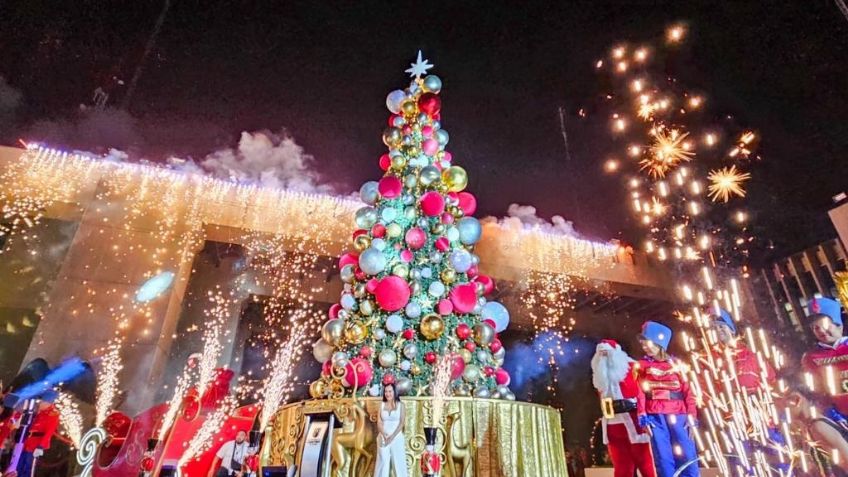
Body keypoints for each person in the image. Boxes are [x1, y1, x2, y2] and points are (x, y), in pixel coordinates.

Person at [636, 321, 700, 477]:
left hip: (679, 415)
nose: (644, 346)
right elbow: (639, 393)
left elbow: (689, 392)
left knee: (687, 455)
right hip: (655, 417)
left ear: (659, 343)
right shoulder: (642, 366)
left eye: (648, 342)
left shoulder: (678, 365)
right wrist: (642, 415)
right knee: (663, 459)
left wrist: (692, 416)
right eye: (642, 342)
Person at [590, 339, 656, 477]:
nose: (604, 357)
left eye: (606, 353)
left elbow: (641, 393)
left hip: (634, 420)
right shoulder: (600, 375)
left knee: (645, 464)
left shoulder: (631, 367)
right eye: (601, 354)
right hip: (612, 425)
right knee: (622, 468)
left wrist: (643, 416)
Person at [801, 297, 848, 424]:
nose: (822, 331)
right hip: (842, 419)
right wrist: (831, 414)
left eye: (826, 325)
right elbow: (817, 392)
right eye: (816, 328)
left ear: (839, 326)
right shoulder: (810, 358)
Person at [708, 308, 776, 392]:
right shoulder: (712, 360)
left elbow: (772, 383)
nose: (718, 330)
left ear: (731, 329)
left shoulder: (752, 357)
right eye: (714, 328)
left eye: (721, 326)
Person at [15, 398, 58, 477]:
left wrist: (40, 446)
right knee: (18, 466)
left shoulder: (52, 414)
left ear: (48, 402)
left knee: (27, 468)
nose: (39, 403)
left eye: (42, 402)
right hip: (26, 443)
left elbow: (49, 433)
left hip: (35, 445)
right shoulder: (39, 412)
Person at [374, 383, 408, 477]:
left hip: (396, 437)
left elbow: (401, 423)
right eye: (386, 391)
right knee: (382, 463)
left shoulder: (401, 405)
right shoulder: (381, 405)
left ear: (394, 392)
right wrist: (384, 435)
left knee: (399, 463)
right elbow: (379, 422)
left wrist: (392, 437)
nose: (387, 394)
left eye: (390, 391)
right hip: (383, 437)